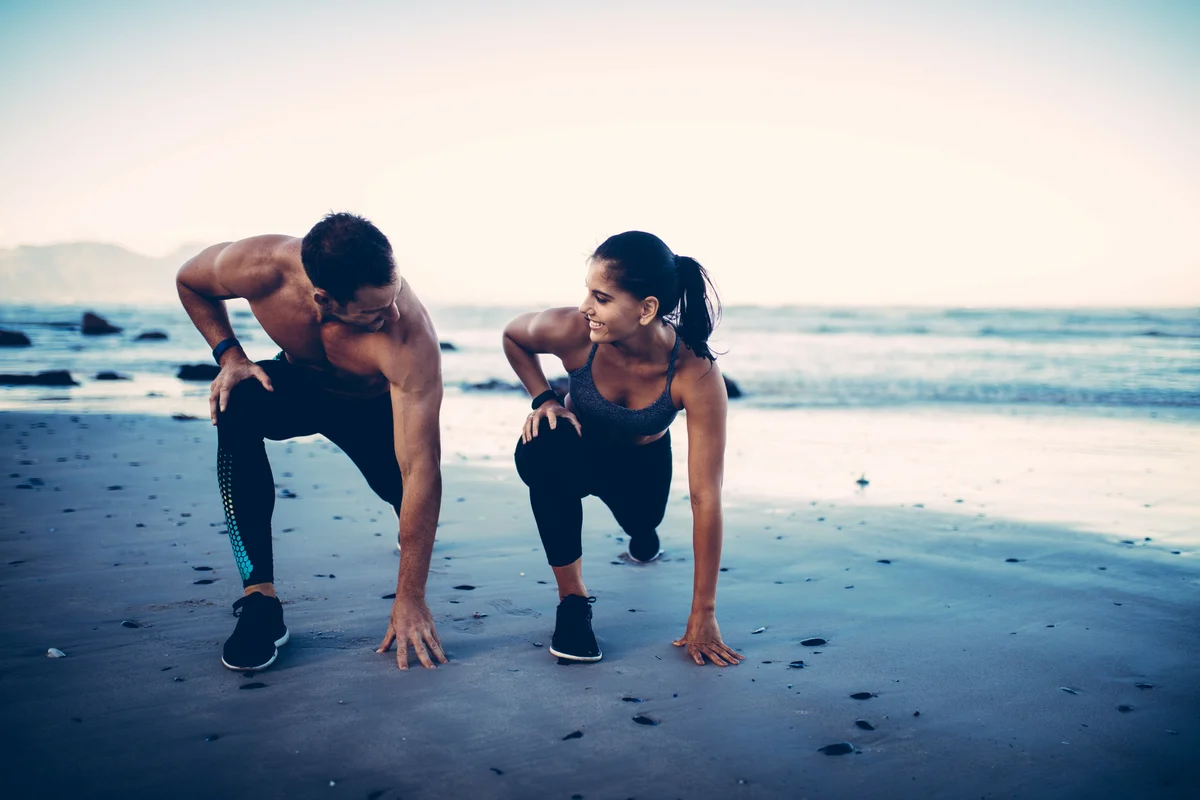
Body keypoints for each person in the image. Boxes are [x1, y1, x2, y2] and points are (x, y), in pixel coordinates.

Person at [176, 212, 447, 672]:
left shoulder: (408, 338)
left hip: (370, 408)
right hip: (300, 387)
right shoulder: (262, 266)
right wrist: (230, 356)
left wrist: (411, 598)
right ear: (325, 299)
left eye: (394, 294)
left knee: (405, 495)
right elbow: (189, 281)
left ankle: (405, 541)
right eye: (374, 311)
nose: (393, 312)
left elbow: (422, 468)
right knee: (237, 400)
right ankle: (260, 601)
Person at [502, 231, 745, 667]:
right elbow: (513, 337)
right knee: (544, 448)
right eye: (587, 293)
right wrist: (545, 399)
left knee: (643, 523)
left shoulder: (696, 373)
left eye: (601, 297)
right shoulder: (573, 332)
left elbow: (706, 496)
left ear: (647, 308)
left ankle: (643, 535)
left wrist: (703, 613)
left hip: (641, 467)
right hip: (579, 450)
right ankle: (573, 605)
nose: (584, 307)